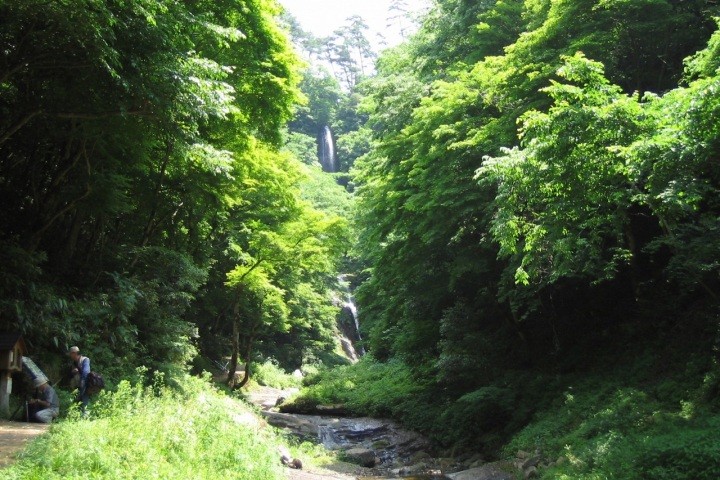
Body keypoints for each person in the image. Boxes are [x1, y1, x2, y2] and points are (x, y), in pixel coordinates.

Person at [68, 346, 90, 410]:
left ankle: (85, 415)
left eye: (71, 354)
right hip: (76, 385)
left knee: (84, 399)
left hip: (84, 383)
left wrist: (82, 383)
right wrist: (73, 372)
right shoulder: (74, 363)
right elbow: (70, 375)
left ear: (74, 353)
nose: (70, 356)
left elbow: (86, 372)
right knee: (79, 401)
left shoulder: (85, 360)